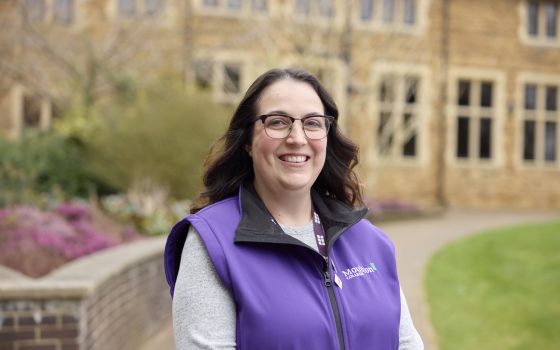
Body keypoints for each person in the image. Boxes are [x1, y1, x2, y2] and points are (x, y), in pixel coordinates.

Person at [164, 68, 424, 349]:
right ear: (248, 141)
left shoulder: (369, 241)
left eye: (312, 123)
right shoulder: (214, 243)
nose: (297, 137)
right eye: (277, 122)